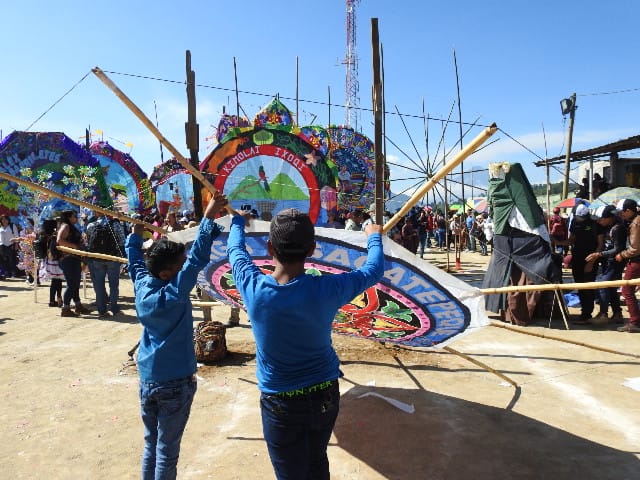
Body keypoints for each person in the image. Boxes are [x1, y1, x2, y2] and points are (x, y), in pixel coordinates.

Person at [227, 208, 384, 479]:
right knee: (317, 462)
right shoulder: (327, 289)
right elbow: (373, 270)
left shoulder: (252, 286)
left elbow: (235, 251)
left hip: (280, 405)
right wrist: (373, 237)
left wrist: (238, 221)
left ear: (269, 248)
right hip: (325, 395)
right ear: (312, 249)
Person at [126, 191, 228, 479]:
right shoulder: (172, 292)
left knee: (152, 445)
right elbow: (196, 260)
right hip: (174, 383)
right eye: (179, 265)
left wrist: (135, 236)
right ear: (167, 274)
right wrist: (207, 217)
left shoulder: (144, 283)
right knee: (167, 452)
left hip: (149, 379)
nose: (185, 266)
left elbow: (135, 262)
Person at [585, 205, 626, 325]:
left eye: (601, 219)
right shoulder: (609, 226)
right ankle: (617, 314)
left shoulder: (618, 229)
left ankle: (603, 314)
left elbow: (618, 249)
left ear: (609, 218)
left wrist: (599, 254)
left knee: (602, 285)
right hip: (608, 261)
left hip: (615, 262)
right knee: (611, 287)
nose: (599, 221)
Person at [86, 213, 126, 318]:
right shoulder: (115, 225)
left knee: (99, 285)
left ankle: (101, 310)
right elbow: (122, 241)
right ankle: (114, 308)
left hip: (97, 258)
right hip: (112, 257)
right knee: (113, 285)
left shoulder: (91, 225)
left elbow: (89, 243)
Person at [566, 203, 599, 324]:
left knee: (588, 287)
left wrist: (592, 261)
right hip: (577, 259)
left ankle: (587, 315)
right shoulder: (574, 222)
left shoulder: (594, 224)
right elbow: (571, 239)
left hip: (589, 260)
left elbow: (599, 245)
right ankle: (584, 313)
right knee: (580, 286)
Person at [57, 210, 92, 317]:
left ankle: (78, 305)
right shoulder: (66, 226)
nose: (76, 218)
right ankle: (65, 308)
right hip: (68, 259)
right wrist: (74, 246)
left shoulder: (70, 226)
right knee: (72, 284)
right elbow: (59, 241)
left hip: (74, 259)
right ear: (69, 217)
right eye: (74, 216)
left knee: (75, 284)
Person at [614, 198, 640, 333]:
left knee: (627, 290)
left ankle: (635, 322)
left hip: (636, 261)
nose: (621, 215)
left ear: (629, 211)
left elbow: (635, 248)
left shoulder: (636, 223)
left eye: (622, 212)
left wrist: (622, 255)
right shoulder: (636, 219)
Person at [0, 214, 19, 279]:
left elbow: (16, 235)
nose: (4, 220)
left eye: (5, 219)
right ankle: (6, 273)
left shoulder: (12, 226)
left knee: (12, 260)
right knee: (3, 260)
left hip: (11, 244)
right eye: (2, 219)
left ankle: (13, 273)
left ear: (8, 219)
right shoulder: (0, 227)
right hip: (2, 245)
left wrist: (16, 244)